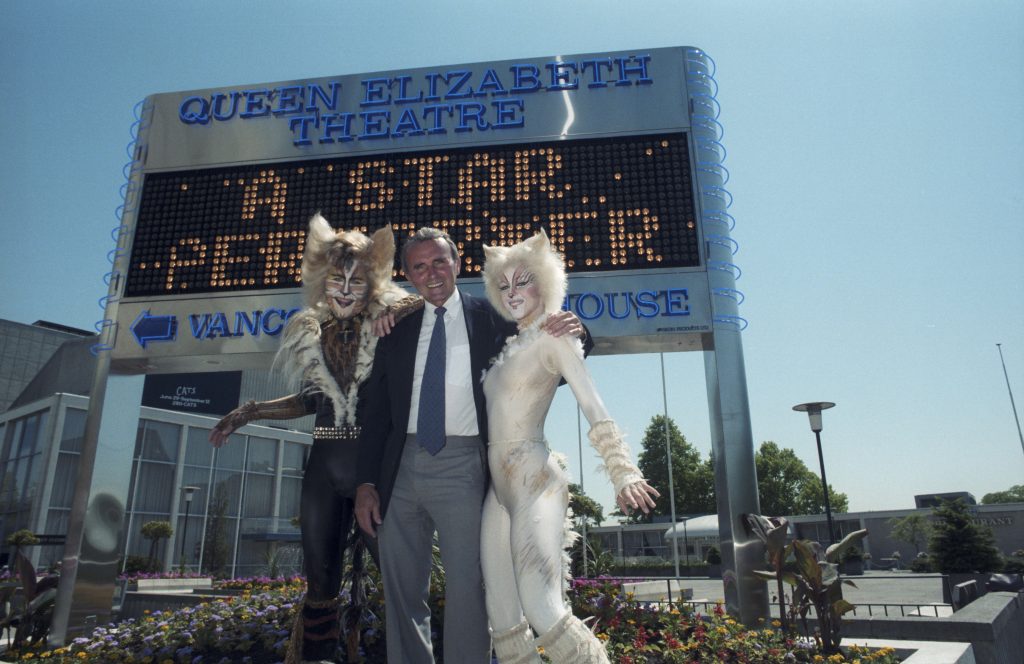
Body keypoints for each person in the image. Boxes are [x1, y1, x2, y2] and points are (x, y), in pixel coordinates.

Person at [354, 227, 588, 664]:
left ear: (458, 263)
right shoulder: (396, 332)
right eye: (419, 266)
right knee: (402, 590)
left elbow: (546, 333)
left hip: (464, 466)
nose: (432, 273)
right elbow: (377, 415)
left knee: (468, 588)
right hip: (400, 469)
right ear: (408, 274)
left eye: (440, 261)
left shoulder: (494, 317)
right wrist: (366, 482)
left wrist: (579, 328)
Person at [209, 214, 420, 664]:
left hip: (374, 472)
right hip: (322, 470)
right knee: (319, 582)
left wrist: (405, 307)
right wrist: (248, 411)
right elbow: (309, 398)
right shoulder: (312, 332)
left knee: (398, 577)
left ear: (375, 281)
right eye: (335, 280)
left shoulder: (393, 325)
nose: (344, 290)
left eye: (356, 280)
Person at [479, 231, 659, 664]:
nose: (513, 292)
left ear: (546, 281)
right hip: (497, 492)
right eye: (503, 285)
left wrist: (623, 470)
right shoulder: (504, 347)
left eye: (523, 281)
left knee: (543, 607)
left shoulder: (556, 335)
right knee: (502, 618)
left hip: (536, 480)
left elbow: (592, 402)